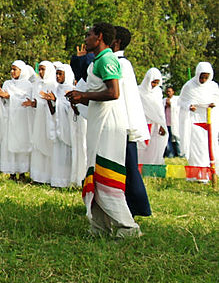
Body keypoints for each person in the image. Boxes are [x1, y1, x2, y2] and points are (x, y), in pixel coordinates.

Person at [67, 23, 141, 238]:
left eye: (89, 35)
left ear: (99, 37)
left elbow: (113, 92)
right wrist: (79, 99)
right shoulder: (98, 61)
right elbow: (98, 94)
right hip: (99, 122)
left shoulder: (108, 60)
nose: (86, 39)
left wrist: (84, 96)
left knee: (106, 172)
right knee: (95, 172)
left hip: (109, 124)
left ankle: (127, 227)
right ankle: (99, 227)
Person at [111, 26, 150, 218]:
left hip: (123, 125)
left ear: (116, 42)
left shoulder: (121, 64)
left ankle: (135, 206)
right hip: (118, 124)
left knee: (128, 167)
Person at [178, 62, 219, 182]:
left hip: (209, 119)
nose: (203, 79)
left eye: (206, 77)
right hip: (194, 120)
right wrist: (189, 106)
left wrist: (213, 104)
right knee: (197, 147)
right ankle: (196, 175)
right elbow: (181, 101)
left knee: (208, 146)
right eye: (201, 76)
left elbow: (216, 100)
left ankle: (209, 175)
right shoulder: (189, 86)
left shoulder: (213, 87)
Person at [0, 61, 33, 178]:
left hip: (22, 119)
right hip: (9, 118)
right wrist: (1, 98)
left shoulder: (28, 85)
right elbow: (3, 100)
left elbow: (25, 100)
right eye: (11, 69)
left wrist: (10, 97)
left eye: (15, 69)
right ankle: (11, 172)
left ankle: (22, 172)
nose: (12, 72)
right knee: (9, 143)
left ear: (21, 71)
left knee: (21, 143)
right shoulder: (7, 83)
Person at [29, 61, 57, 185]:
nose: (40, 72)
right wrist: (34, 104)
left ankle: (49, 177)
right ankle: (38, 176)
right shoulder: (36, 84)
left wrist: (48, 101)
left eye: (43, 69)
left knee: (49, 146)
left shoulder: (54, 84)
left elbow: (56, 103)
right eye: (39, 69)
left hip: (50, 121)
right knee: (38, 145)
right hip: (38, 119)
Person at [137, 68, 168, 165]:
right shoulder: (138, 91)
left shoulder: (158, 92)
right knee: (141, 146)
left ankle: (152, 165)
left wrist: (162, 124)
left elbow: (159, 109)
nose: (154, 85)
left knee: (154, 146)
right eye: (153, 82)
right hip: (142, 122)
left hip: (155, 123)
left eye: (157, 83)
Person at [163, 86, 181, 158]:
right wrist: (165, 105)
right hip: (167, 123)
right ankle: (170, 154)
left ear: (173, 92)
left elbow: (179, 108)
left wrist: (171, 105)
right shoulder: (164, 100)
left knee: (177, 138)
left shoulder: (177, 99)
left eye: (170, 91)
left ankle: (179, 153)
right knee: (168, 139)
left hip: (175, 122)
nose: (168, 93)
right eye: (167, 91)